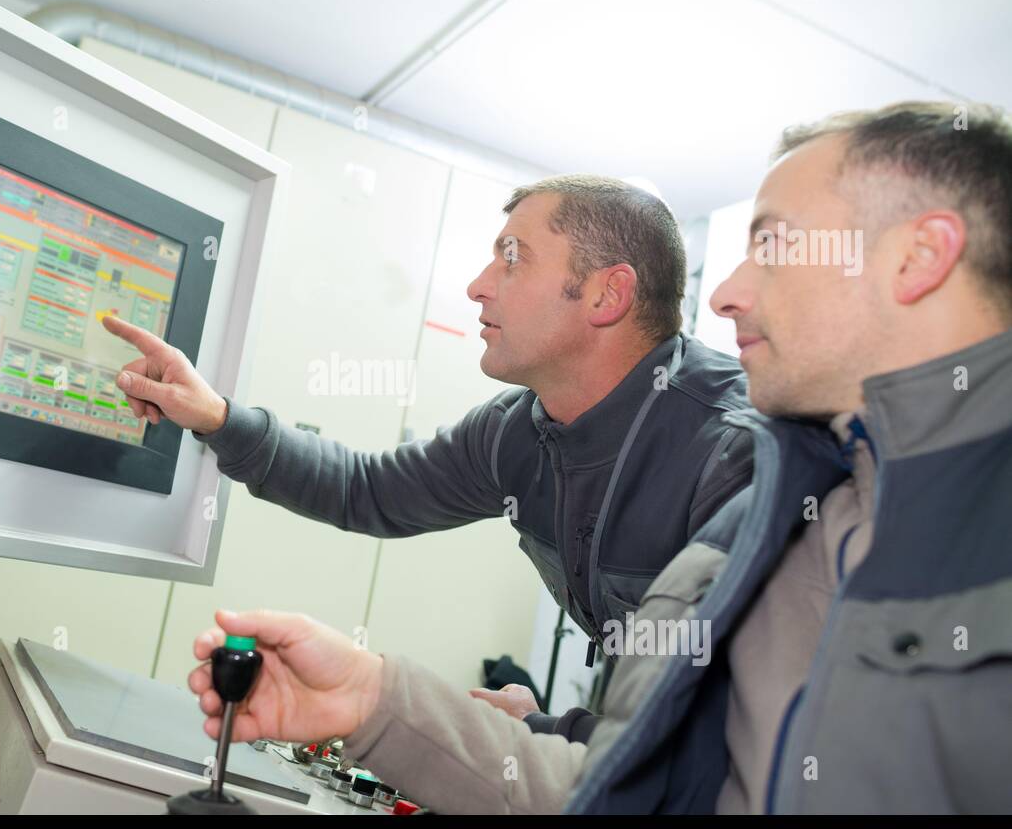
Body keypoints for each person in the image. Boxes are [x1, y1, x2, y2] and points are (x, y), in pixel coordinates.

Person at [185, 100, 1012, 814]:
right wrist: (219, 419)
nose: (727, 294)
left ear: (918, 257)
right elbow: (686, 764)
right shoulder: (804, 489)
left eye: (775, 244)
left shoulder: (748, 460)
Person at [105, 175, 752, 739]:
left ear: (606, 296)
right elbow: (366, 491)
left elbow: (736, 719)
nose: (477, 286)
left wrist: (550, 731)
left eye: (512, 260)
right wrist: (217, 417)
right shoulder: (515, 432)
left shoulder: (731, 452)